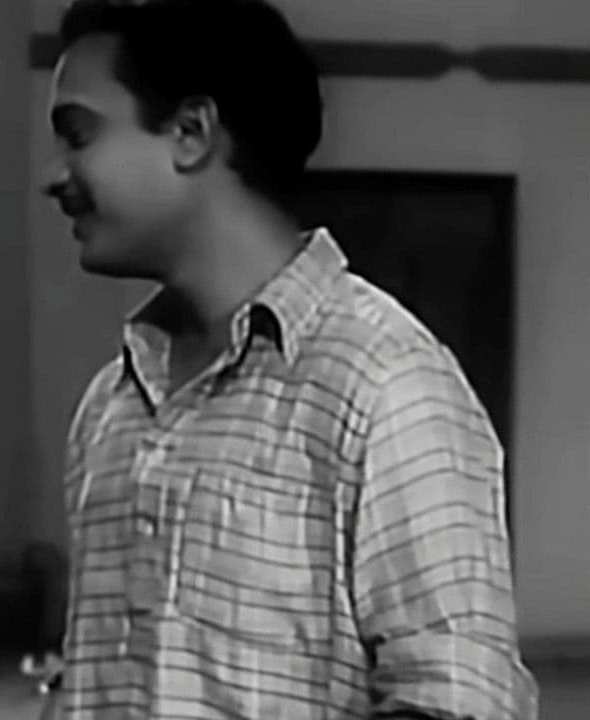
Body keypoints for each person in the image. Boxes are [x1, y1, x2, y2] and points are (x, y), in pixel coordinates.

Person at [41, 1, 537, 717]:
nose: (53, 175)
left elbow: (455, 702)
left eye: (78, 135)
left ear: (191, 132)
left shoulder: (384, 383)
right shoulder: (110, 408)